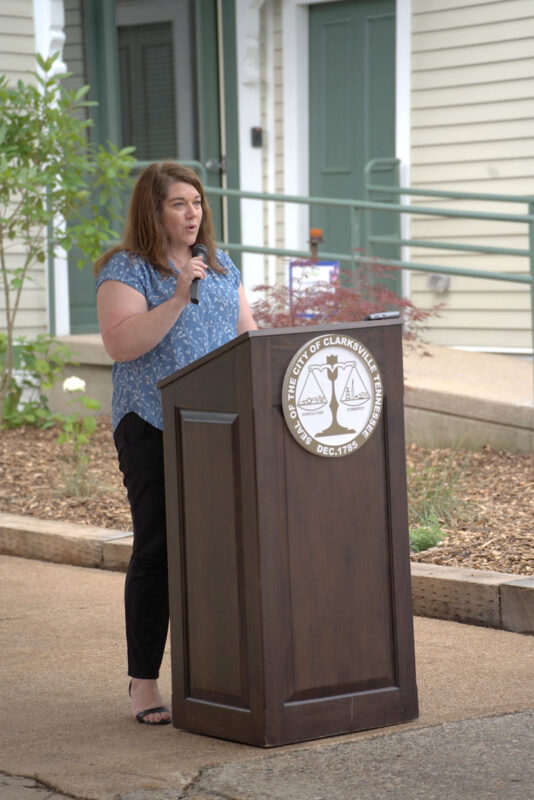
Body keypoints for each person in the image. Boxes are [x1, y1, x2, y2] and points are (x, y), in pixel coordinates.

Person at [94, 162, 257, 725]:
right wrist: (181, 292)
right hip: (151, 425)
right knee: (159, 549)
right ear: (152, 211)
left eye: (197, 203)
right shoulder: (127, 269)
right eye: (179, 204)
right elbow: (121, 344)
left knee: (221, 547)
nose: (193, 214)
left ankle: (218, 672)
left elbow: (247, 338)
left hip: (218, 426)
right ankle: (144, 681)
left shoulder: (221, 264)